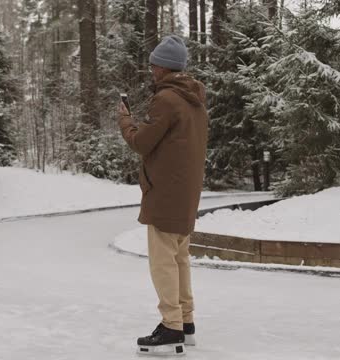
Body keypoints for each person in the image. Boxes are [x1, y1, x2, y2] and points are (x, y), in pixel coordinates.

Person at [118, 35, 209, 355]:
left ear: (163, 67)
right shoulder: (194, 98)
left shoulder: (167, 99)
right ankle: (185, 322)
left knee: (163, 263)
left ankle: (171, 327)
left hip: (166, 192)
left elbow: (142, 142)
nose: (150, 69)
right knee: (180, 258)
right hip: (186, 192)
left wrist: (125, 120)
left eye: (154, 64)